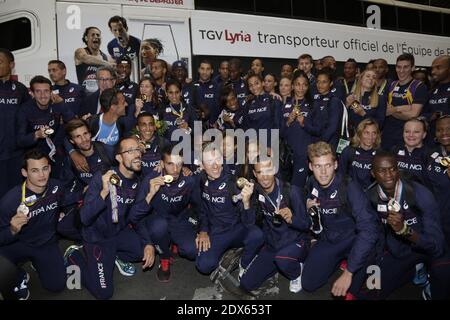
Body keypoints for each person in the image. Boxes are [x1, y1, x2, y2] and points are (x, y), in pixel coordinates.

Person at [64, 137, 155, 299]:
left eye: (138, 150)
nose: (137, 154)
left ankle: (113, 257)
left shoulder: (138, 182)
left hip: (117, 233)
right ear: (119, 157)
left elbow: (136, 217)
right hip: (96, 238)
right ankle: (74, 256)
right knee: (104, 294)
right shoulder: (103, 177)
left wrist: (148, 243)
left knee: (143, 252)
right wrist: (104, 192)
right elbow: (84, 218)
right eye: (130, 151)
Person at [357, 151, 450, 300]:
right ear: (373, 174)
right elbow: (376, 235)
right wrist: (375, 267)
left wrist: (404, 230)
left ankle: (429, 279)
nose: (389, 174)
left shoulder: (420, 194)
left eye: (392, 169)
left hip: (430, 247)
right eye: (382, 170)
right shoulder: (371, 196)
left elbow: (437, 246)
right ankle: (414, 270)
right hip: (400, 250)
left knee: (443, 276)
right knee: (370, 293)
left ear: (398, 169)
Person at [301, 142, 378, 299]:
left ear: (335, 164)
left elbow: (369, 229)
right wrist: (310, 212)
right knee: (309, 284)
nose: (323, 172)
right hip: (330, 239)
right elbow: (314, 217)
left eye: (327, 165)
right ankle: (338, 260)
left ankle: (354, 262)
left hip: (354, 240)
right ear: (310, 166)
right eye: (317, 166)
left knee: (364, 291)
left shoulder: (349, 187)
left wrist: (349, 273)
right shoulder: (311, 183)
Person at [0, 150, 67, 300]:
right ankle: (17, 275)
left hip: (45, 243)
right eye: (34, 171)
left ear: (50, 168)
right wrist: (12, 230)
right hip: (19, 243)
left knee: (56, 286)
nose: (42, 175)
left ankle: (39, 263)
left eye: (44, 168)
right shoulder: (10, 200)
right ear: (25, 172)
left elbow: (65, 202)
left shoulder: (57, 187)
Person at [129, 144, 200, 282]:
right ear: (161, 164)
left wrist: (202, 229)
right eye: (170, 164)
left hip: (178, 219)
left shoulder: (189, 180)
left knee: (192, 251)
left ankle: (174, 242)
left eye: (179, 164)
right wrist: (151, 193)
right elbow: (134, 216)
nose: (175, 170)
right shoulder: (150, 180)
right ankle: (164, 257)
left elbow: (199, 206)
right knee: (159, 227)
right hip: (157, 219)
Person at [239, 157, 310, 294]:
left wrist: (292, 219)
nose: (265, 177)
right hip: (274, 245)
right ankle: (280, 265)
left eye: (268, 171)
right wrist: (246, 203)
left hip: (296, 242)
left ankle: (296, 271)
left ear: (275, 170)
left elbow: (307, 225)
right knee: (246, 284)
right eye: (260, 172)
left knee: (283, 259)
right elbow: (250, 225)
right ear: (255, 174)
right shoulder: (257, 192)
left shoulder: (291, 191)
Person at [195, 142, 264, 276]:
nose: (215, 166)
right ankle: (226, 252)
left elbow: (249, 223)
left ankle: (244, 262)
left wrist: (246, 202)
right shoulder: (201, 180)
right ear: (202, 165)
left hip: (236, 229)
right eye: (209, 161)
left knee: (257, 235)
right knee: (203, 265)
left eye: (218, 160)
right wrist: (203, 230)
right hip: (216, 232)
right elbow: (201, 208)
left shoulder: (234, 183)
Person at [58, 119, 113, 241]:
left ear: (90, 133)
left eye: (85, 134)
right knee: (62, 226)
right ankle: (92, 239)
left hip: (110, 201)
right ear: (72, 141)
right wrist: (82, 193)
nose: (84, 139)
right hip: (88, 203)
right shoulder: (71, 160)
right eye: (78, 137)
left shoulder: (107, 151)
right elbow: (63, 193)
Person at [17, 75, 75, 177]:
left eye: (46, 91)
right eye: (38, 91)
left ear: (51, 92)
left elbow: (74, 124)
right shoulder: (25, 110)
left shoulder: (57, 104)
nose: (43, 95)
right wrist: (36, 135)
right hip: (33, 158)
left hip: (55, 155)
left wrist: (62, 103)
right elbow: (20, 140)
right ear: (32, 93)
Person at [0, 48, 31, 199]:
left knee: (14, 196)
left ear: (11, 64)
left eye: (0, 62)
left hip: (15, 155)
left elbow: (29, 119)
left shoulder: (21, 90)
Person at [382, 53, 428, 151]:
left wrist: (394, 110)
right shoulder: (391, 85)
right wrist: (406, 107)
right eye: (399, 67)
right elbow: (384, 109)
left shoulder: (419, 87)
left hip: (407, 138)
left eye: (406, 67)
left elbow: (413, 114)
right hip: (387, 136)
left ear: (412, 68)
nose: (401, 71)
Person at [281, 72, 315, 188]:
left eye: (304, 85)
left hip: (303, 154)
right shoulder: (285, 105)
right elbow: (281, 132)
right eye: (297, 84)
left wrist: (304, 124)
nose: (301, 88)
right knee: (286, 187)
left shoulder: (312, 105)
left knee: (297, 187)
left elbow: (317, 131)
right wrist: (288, 122)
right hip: (287, 155)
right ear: (292, 86)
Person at [426, 115, 450, 247]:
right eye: (440, 130)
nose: (444, 133)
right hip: (435, 217)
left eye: (448, 129)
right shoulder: (431, 153)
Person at [338, 119, 380, 190]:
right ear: (360, 134)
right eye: (366, 133)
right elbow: (340, 175)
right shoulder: (348, 151)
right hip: (351, 193)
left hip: (371, 195)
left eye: (374, 133)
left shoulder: (380, 155)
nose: (370, 137)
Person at [243, 72, 282, 147]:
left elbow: (277, 127)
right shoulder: (248, 104)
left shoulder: (273, 100)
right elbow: (246, 128)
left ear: (263, 83)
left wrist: (270, 146)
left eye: (256, 83)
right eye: (250, 85)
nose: (254, 87)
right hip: (252, 148)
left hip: (269, 148)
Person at [75, 26, 111, 95]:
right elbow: (86, 58)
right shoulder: (81, 51)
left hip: (101, 97)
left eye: (98, 35)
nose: (96, 37)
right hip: (85, 97)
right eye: (93, 34)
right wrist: (106, 64)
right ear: (86, 38)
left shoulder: (105, 57)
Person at [392, 117, 429, 184]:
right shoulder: (394, 151)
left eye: (416, 132)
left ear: (424, 135)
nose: (411, 135)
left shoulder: (429, 155)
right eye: (407, 131)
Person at [422, 55, 450, 144]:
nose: (433, 72)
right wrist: (431, 116)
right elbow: (423, 114)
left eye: (438, 68)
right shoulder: (431, 91)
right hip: (432, 142)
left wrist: (443, 114)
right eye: (432, 69)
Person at [192, 59, 220, 125]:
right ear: (198, 70)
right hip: (196, 127)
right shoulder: (192, 86)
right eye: (202, 69)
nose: (205, 72)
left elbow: (221, 108)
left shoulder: (217, 87)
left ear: (212, 71)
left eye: (208, 69)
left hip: (214, 127)